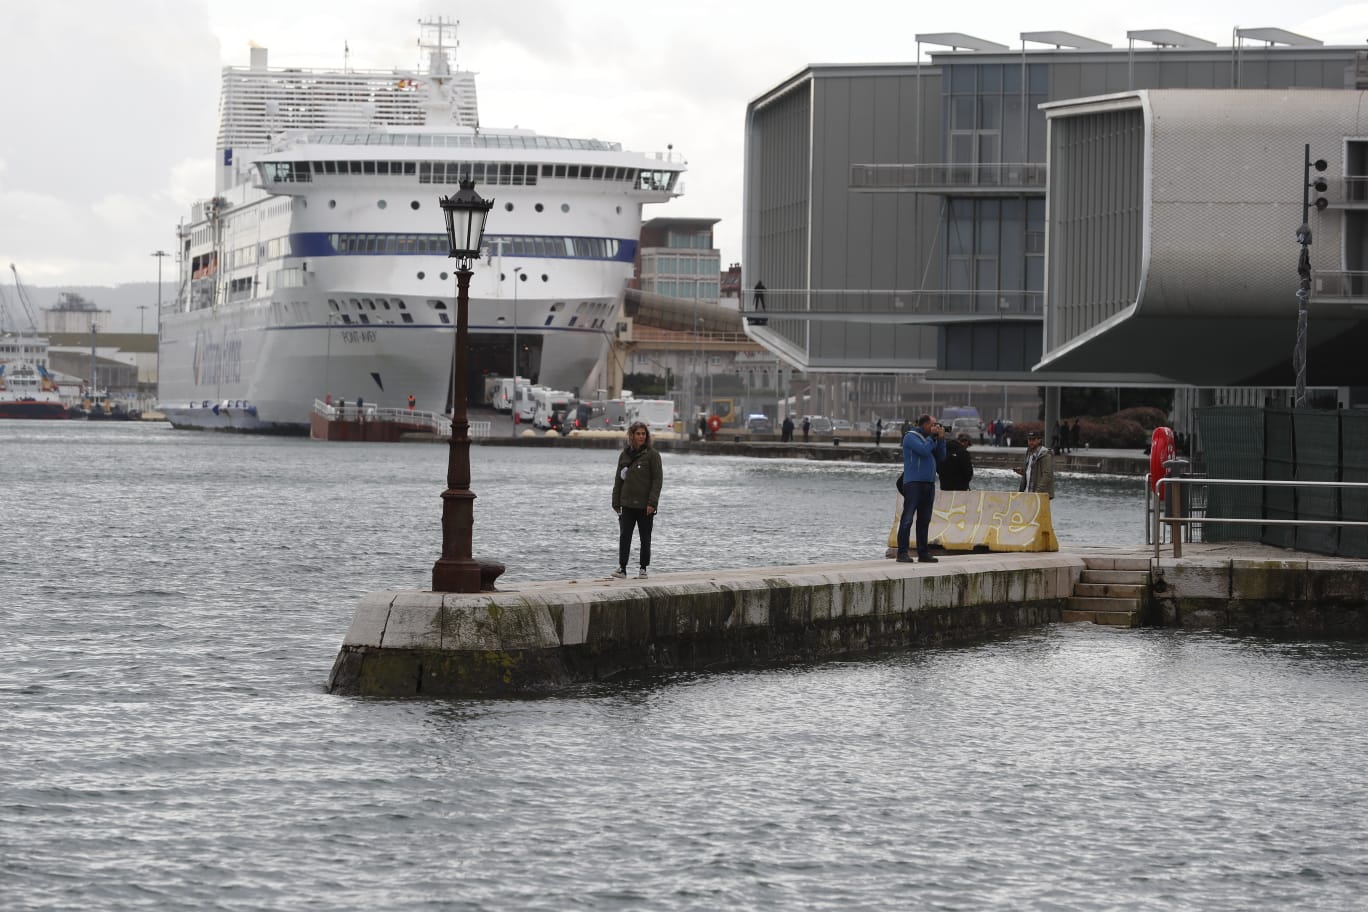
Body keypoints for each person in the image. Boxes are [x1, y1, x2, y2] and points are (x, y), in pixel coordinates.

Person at [612, 421, 663, 579]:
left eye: (643, 434)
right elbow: (618, 480)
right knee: (625, 536)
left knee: (645, 537)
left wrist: (652, 503)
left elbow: (657, 481)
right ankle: (622, 568)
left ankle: (643, 568)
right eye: (638, 433)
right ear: (632, 435)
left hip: (645, 506)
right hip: (627, 503)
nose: (641, 436)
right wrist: (616, 501)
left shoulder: (652, 455)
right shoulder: (624, 455)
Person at [896, 414, 947, 564]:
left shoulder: (931, 439)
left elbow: (942, 457)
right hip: (913, 484)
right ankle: (902, 552)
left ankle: (923, 553)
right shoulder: (910, 437)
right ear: (924, 425)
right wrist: (933, 437)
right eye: (932, 425)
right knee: (907, 519)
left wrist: (941, 439)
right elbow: (924, 451)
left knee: (924, 520)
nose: (935, 427)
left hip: (928, 484)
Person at [1014, 429, 1056, 499]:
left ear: (1039, 440)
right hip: (1028, 493)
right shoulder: (1029, 453)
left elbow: (1047, 475)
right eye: (1029, 439)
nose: (1031, 442)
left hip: (1039, 495)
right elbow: (1031, 472)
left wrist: (1037, 493)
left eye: (1033, 439)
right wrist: (1023, 471)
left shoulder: (1045, 454)